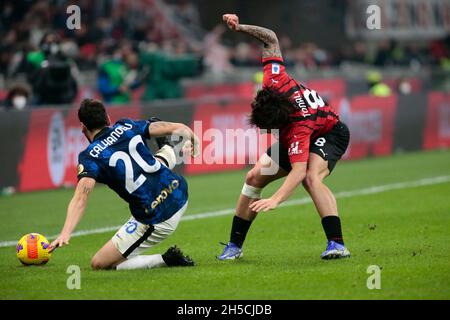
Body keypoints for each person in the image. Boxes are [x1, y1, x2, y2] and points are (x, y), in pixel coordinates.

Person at [218, 14, 351, 260]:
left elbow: (298, 171)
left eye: (269, 129)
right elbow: (270, 38)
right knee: (254, 176)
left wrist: (276, 199)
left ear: (280, 123)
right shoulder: (274, 80)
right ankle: (234, 246)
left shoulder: (298, 128)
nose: (267, 133)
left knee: (311, 178)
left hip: (330, 133)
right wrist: (240, 28)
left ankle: (337, 243)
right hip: (309, 126)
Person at [49, 98, 199, 270]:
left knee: (99, 263)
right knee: (152, 165)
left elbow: (81, 198)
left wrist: (65, 233)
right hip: (179, 189)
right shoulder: (126, 126)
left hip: (157, 215)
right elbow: (177, 127)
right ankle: (167, 149)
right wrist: (189, 134)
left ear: (83, 127)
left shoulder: (90, 157)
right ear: (108, 118)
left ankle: (167, 259)